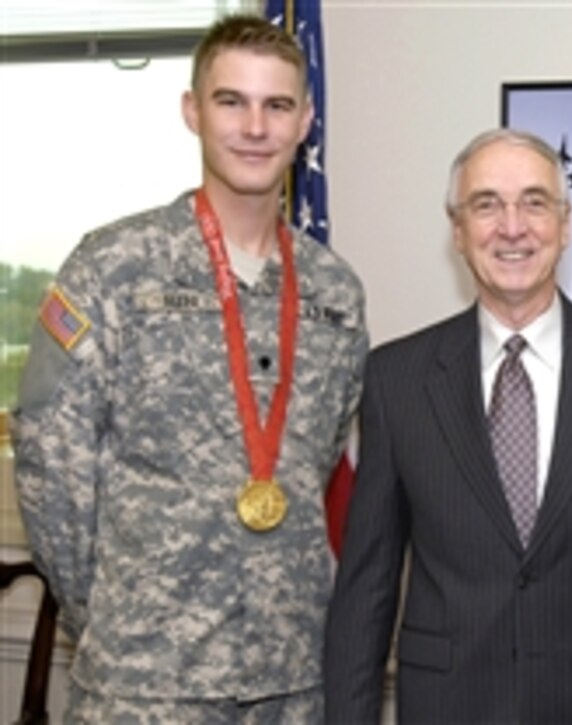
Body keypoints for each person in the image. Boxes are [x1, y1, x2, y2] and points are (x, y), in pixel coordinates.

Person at [13, 14, 368, 722]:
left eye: (277, 106)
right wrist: (122, 613)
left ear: (306, 120)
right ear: (192, 111)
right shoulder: (113, 268)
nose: (254, 127)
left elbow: (314, 462)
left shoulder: (335, 292)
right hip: (145, 685)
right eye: (231, 101)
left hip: (289, 681)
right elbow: (52, 470)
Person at [324, 128, 572, 724]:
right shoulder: (397, 379)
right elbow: (365, 590)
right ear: (457, 230)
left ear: (565, 223)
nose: (512, 226)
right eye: (486, 204)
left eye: (534, 202)